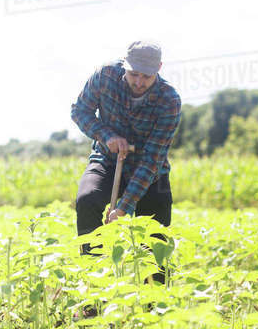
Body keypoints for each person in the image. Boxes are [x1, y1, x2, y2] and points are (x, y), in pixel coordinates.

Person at [70, 40, 182, 284]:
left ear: (159, 69)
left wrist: (124, 207)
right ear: (125, 65)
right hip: (107, 160)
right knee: (87, 200)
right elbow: (80, 111)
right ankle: (95, 286)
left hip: (150, 170)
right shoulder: (105, 76)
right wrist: (106, 135)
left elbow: (153, 158)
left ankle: (155, 303)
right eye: (133, 74)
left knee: (156, 233)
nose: (139, 82)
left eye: (146, 76)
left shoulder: (169, 101)